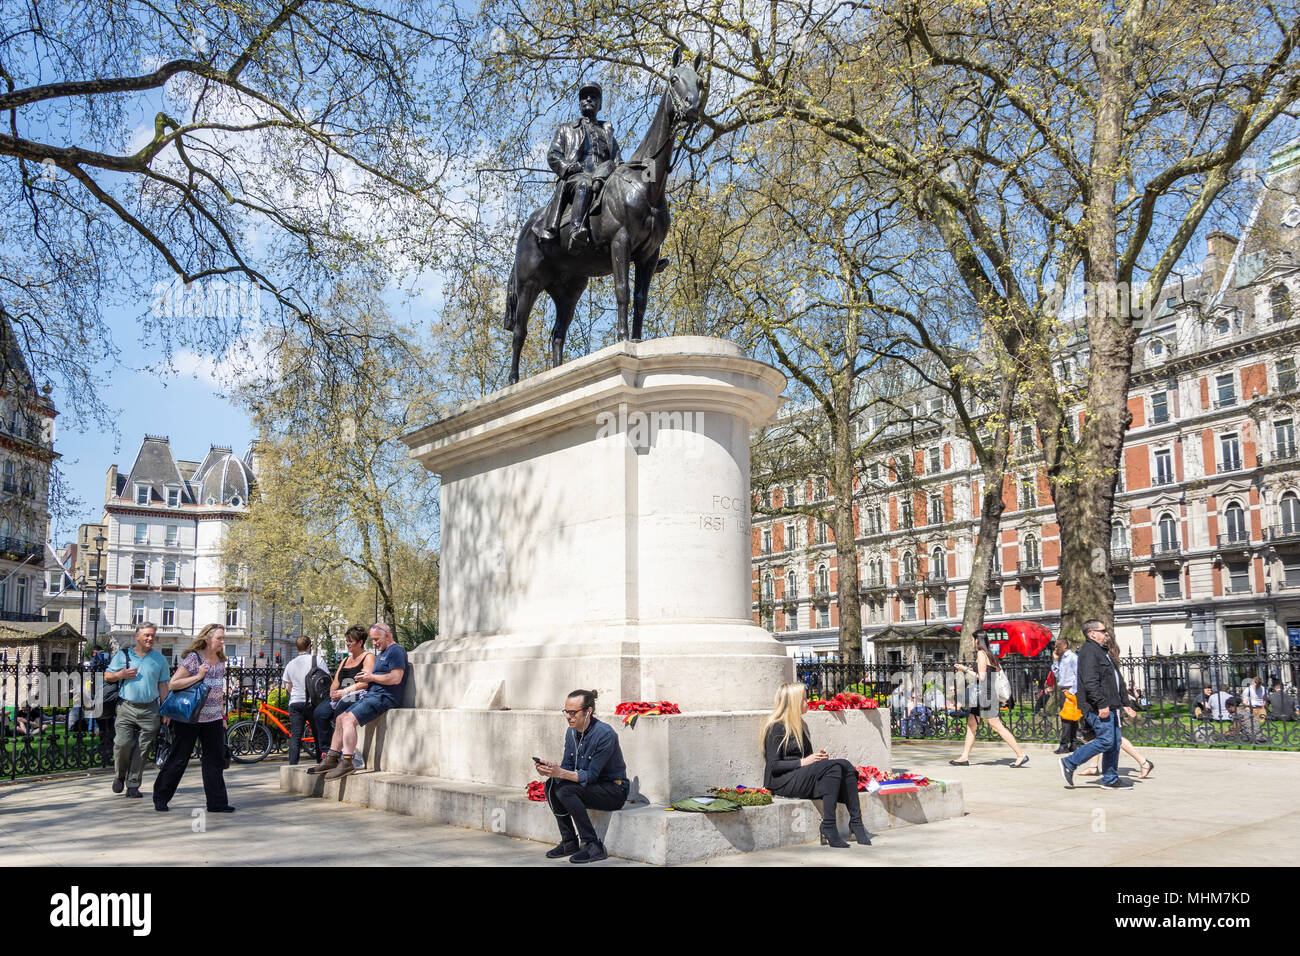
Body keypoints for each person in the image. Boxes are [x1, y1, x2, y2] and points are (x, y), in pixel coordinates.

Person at [761, 682, 871, 848]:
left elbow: (809, 761)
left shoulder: (802, 725)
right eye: (804, 699)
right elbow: (773, 766)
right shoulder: (776, 727)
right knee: (836, 766)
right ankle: (829, 825)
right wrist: (804, 762)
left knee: (845, 766)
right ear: (793, 703)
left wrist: (817, 759)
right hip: (780, 782)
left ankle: (856, 823)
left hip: (798, 776)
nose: (808, 702)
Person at [535, 689, 629, 863]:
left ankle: (593, 845)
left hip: (613, 790)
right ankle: (569, 841)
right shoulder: (571, 732)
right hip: (589, 788)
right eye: (566, 712)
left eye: (573, 713)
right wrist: (551, 770)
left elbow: (592, 775)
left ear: (588, 711)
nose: (569, 717)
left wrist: (561, 773)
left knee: (566, 790)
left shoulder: (605, 734)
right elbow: (568, 767)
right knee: (552, 785)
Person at [152, 624, 235, 813]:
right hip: (190, 718)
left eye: (223, 638)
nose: (223, 642)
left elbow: (218, 692)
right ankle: (161, 796)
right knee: (179, 759)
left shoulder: (221, 661)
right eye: (219, 638)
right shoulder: (193, 658)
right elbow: (173, 684)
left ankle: (217, 803)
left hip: (212, 719)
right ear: (207, 639)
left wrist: (222, 715)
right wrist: (198, 675)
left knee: (214, 761)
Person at [311, 621, 406, 780]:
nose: (374, 644)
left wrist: (370, 677)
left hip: (384, 697)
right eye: (373, 640)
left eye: (377, 639)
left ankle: (347, 761)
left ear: (387, 635)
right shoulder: (383, 652)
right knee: (341, 718)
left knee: (348, 720)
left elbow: (396, 678)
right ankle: (331, 757)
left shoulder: (396, 651)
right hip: (372, 695)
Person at [534, 82, 622, 245]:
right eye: (584, 97)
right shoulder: (566, 129)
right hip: (577, 176)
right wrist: (568, 166)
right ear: (579, 103)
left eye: (593, 97)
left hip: (606, 177)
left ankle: (645, 248)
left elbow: (618, 161)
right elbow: (553, 155)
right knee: (584, 183)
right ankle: (576, 230)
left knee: (632, 196)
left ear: (600, 104)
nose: (588, 99)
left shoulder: (608, 133)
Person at [1060, 620, 1137, 790]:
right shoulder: (1089, 652)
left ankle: (1110, 779)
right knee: (1106, 740)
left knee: (1115, 742)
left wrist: (1125, 702)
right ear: (1092, 633)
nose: (1106, 634)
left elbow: (1116, 680)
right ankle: (1070, 762)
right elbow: (1090, 682)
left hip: (1111, 705)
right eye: (1103, 631)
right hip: (1097, 707)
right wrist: (1101, 704)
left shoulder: (1103, 652)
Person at [105, 622, 171, 798]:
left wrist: (166, 710)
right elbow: (107, 676)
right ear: (137, 636)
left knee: (143, 749)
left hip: (150, 709)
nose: (150, 638)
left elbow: (163, 685)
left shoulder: (160, 659)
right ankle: (119, 775)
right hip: (126, 706)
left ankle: (133, 784)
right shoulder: (123, 655)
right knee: (122, 744)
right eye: (146, 635)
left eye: (152, 636)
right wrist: (121, 675)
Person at [949, 633, 1029, 767]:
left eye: (972, 639)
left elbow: (981, 676)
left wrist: (965, 669)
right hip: (984, 694)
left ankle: (1021, 755)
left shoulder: (981, 654)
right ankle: (964, 756)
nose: (972, 642)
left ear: (977, 641)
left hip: (985, 695)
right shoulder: (991, 655)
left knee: (997, 726)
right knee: (971, 724)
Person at [309, 625, 374, 764]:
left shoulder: (368, 657)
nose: (348, 643)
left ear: (360, 642)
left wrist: (344, 692)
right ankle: (326, 751)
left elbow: (366, 682)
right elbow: (337, 680)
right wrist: (332, 693)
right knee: (319, 713)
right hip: (340, 693)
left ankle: (339, 751)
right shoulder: (345, 660)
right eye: (347, 640)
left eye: (351, 641)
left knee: (340, 711)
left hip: (355, 692)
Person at [280, 635, 325, 765]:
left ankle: (292, 765)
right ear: (309, 646)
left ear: (297, 647)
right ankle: (320, 762)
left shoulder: (290, 664)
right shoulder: (317, 660)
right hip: (312, 702)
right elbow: (325, 680)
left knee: (295, 735)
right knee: (317, 734)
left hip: (295, 703)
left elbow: (288, 686)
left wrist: (295, 693)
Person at [1051, 638, 1080, 754]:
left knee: (1067, 718)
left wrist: (1072, 691)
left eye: (1058, 646)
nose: (1056, 648)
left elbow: (1078, 674)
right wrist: (1055, 661)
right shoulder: (1061, 659)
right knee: (1070, 717)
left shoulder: (1072, 658)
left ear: (1065, 646)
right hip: (1063, 690)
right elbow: (1057, 674)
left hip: (1070, 690)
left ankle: (1064, 745)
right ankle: (1073, 743)